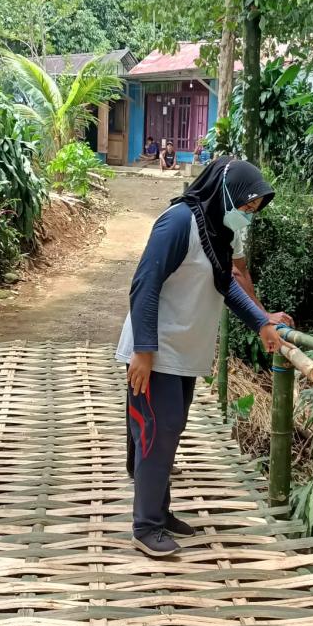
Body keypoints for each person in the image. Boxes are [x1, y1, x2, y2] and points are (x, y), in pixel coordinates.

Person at [116, 157, 283, 557]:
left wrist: (261, 322)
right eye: (244, 208)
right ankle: (146, 526)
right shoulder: (178, 222)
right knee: (157, 431)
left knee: (166, 432)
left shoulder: (216, 234)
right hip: (155, 351)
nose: (246, 217)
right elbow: (145, 283)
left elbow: (227, 285)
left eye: (251, 212)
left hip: (182, 352)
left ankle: (159, 510)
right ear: (224, 193)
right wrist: (143, 351)